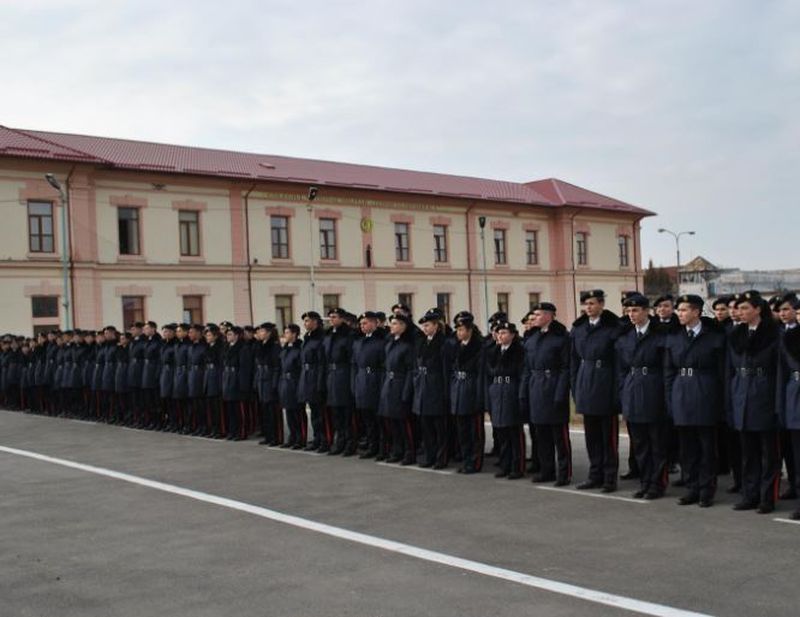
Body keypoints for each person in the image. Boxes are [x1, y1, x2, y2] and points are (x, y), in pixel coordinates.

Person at [664, 294, 726, 508]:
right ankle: (692, 488)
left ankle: (707, 490)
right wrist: (670, 399)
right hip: (682, 393)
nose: (679, 314)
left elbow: (722, 374)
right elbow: (668, 372)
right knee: (687, 448)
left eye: (683, 310)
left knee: (706, 448)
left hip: (705, 392)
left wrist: (720, 402)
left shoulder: (714, 338)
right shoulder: (674, 338)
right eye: (678, 310)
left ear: (696, 312)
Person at [727, 291, 781, 514]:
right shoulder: (736, 334)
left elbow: (779, 371)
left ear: (758, 309)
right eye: (739, 309)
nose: (741, 312)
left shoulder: (773, 334)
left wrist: (778, 405)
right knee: (748, 453)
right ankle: (750, 494)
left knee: (768, 453)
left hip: (764, 394)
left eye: (746, 308)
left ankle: (767, 497)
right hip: (742, 394)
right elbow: (729, 371)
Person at [615, 295, 669, 499]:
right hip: (632, 389)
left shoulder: (659, 335)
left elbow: (666, 368)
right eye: (628, 311)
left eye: (636, 310)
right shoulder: (626, 337)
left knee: (657, 442)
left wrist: (665, 396)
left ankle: (658, 483)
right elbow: (621, 368)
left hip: (653, 388)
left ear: (647, 311)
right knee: (640, 444)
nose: (632, 315)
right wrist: (623, 389)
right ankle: (645, 482)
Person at [571, 289, 622, 492]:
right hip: (586, 382)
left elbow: (618, 363)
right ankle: (595, 475)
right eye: (586, 304)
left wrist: (616, 392)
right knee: (591, 437)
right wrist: (575, 387)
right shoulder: (579, 328)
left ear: (601, 304)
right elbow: (573, 360)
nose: (588, 308)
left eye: (592, 303)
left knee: (608, 438)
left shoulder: (613, 327)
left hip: (605, 383)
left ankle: (610, 478)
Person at [521, 302, 572, 486]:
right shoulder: (532, 338)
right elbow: (527, 368)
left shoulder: (561, 337)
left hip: (553, 385)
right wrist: (523, 392)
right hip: (536, 387)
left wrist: (560, 393)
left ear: (550, 315)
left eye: (539, 314)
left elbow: (566, 368)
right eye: (534, 315)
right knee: (541, 434)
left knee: (559, 435)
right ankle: (546, 470)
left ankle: (564, 472)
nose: (535, 318)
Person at [485, 321, 525, 479]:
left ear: (513, 335)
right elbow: (488, 374)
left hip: (511, 390)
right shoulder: (493, 352)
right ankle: (505, 464)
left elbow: (521, 375)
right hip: (497, 390)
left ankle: (517, 466)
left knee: (514, 432)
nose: (500, 336)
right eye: (499, 333)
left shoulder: (519, 352)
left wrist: (521, 396)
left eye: (504, 333)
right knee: (501, 432)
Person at [413, 308, 450, 469]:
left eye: (428, 325)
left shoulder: (443, 343)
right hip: (423, 387)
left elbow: (445, 369)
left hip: (436, 387)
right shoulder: (422, 342)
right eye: (424, 325)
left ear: (436, 325)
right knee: (426, 427)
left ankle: (441, 458)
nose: (425, 328)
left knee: (440, 428)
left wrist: (445, 392)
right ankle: (430, 456)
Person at [449, 312, 486, 474]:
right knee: (462, 430)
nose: (459, 332)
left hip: (471, 389)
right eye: (457, 329)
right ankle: (466, 460)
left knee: (474, 431)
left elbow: (481, 374)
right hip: (458, 389)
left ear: (470, 329)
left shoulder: (479, 347)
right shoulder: (456, 346)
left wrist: (479, 396)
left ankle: (475, 462)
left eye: (462, 329)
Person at [378, 314, 416, 465]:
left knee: (404, 422)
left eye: (395, 323)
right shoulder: (389, 344)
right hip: (389, 384)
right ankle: (397, 449)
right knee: (392, 422)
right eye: (391, 323)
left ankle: (409, 452)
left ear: (403, 326)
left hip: (400, 384)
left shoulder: (407, 346)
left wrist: (406, 392)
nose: (391, 326)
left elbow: (410, 371)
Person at [351, 311, 386, 459]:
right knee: (367, 418)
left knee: (378, 418)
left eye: (365, 323)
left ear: (374, 323)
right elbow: (354, 363)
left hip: (375, 380)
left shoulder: (381, 342)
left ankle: (382, 447)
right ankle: (372, 446)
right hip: (361, 380)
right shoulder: (358, 342)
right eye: (361, 324)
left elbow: (384, 365)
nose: (362, 326)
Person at [324, 308, 357, 455]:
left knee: (346, 414)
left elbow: (351, 359)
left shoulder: (348, 335)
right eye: (330, 317)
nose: (331, 319)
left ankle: (350, 443)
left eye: (335, 317)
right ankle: (340, 441)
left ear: (342, 318)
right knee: (335, 413)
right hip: (332, 375)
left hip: (343, 374)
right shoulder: (329, 334)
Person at [299, 311, 328, 452]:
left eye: (308, 320)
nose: (306, 323)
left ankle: (324, 440)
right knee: (314, 412)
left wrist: (320, 382)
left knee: (321, 413)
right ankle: (317, 438)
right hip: (307, 377)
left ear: (316, 322)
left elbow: (321, 363)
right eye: (304, 321)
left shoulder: (320, 339)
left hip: (316, 376)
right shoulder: (307, 338)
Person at [222, 326, 254, 441]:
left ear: (236, 335)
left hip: (237, 380)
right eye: (227, 334)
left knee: (239, 410)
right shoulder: (227, 347)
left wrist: (243, 385)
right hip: (228, 379)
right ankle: (232, 431)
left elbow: (245, 368)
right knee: (230, 409)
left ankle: (242, 432)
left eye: (230, 334)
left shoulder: (242, 348)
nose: (228, 336)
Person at [254, 322, 282, 446]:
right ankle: (268, 436)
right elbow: (258, 365)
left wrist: (274, 384)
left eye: (262, 331)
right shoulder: (260, 345)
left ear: (269, 333)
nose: (260, 333)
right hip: (262, 380)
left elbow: (276, 367)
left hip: (270, 380)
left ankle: (277, 437)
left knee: (273, 412)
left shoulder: (274, 347)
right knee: (265, 410)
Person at [203, 324, 224, 438]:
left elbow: (221, 366)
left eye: (209, 335)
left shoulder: (220, 348)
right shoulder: (208, 347)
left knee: (217, 407)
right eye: (206, 335)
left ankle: (220, 429)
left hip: (216, 377)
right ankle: (213, 428)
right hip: (209, 377)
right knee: (210, 407)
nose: (207, 337)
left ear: (215, 336)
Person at [186, 324, 208, 436]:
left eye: (192, 332)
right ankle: (194, 426)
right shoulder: (190, 347)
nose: (190, 334)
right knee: (193, 405)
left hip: (200, 377)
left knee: (201, 406)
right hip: (191, 377)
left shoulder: (204, 347)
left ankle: (203, 427)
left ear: (199, 333)